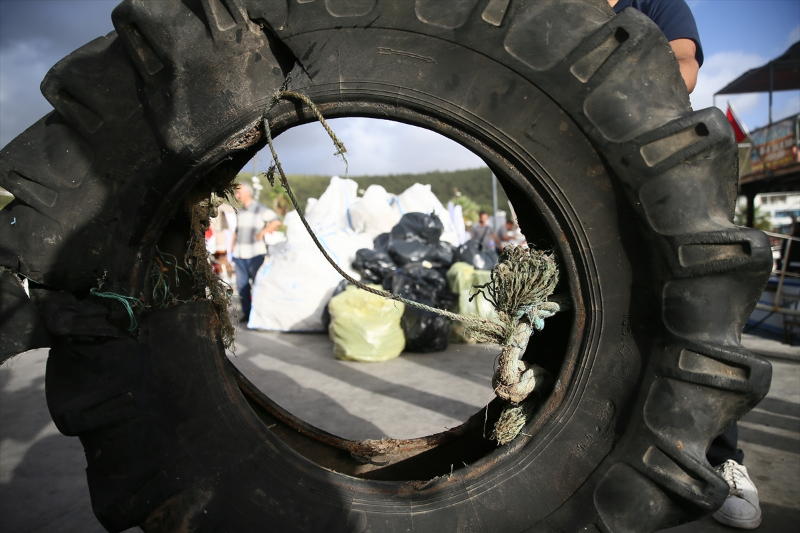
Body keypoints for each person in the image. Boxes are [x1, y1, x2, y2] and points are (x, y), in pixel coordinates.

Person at [609, 1, 760, 529]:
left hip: (661, 167)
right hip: (585, 165)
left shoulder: (654, 3)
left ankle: (722, 462)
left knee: (695, 312)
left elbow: (684, 65)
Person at [231, 182, 281, 324]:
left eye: (239, 192)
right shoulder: (240, 211)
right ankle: (247, 312)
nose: (237, 195)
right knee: (241, 286)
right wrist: (231, 248)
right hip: (240, 253)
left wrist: (262, 233)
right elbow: (237, 231)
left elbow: (276, 221)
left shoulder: (260, 209)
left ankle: (260, 313)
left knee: (258, 283)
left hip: (255, 253)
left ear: (248, 192)